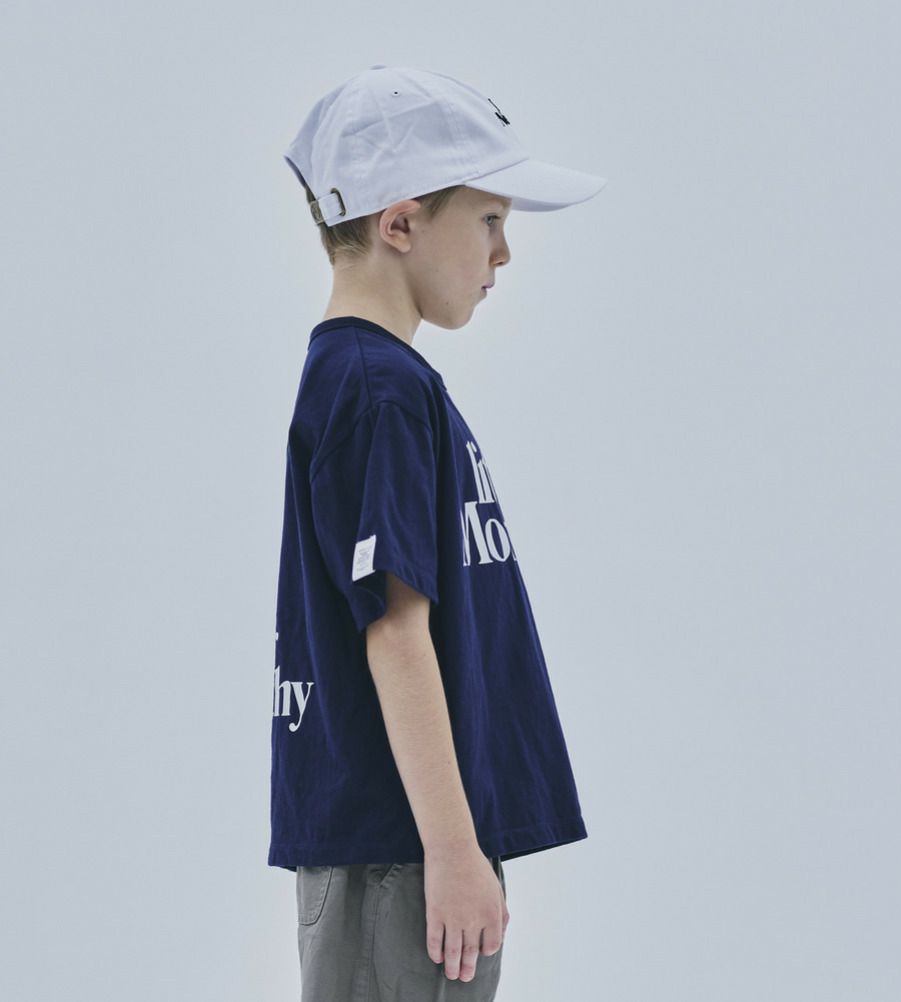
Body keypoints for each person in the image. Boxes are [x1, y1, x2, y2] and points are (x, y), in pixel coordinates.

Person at [270, 64, 607, 1001]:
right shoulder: (377, 391)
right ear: (401, 224)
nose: (505, 252)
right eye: (490, 219)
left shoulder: (378, 382)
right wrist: (453, 851)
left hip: (408, 845)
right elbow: (393, 628)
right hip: (403, 852)